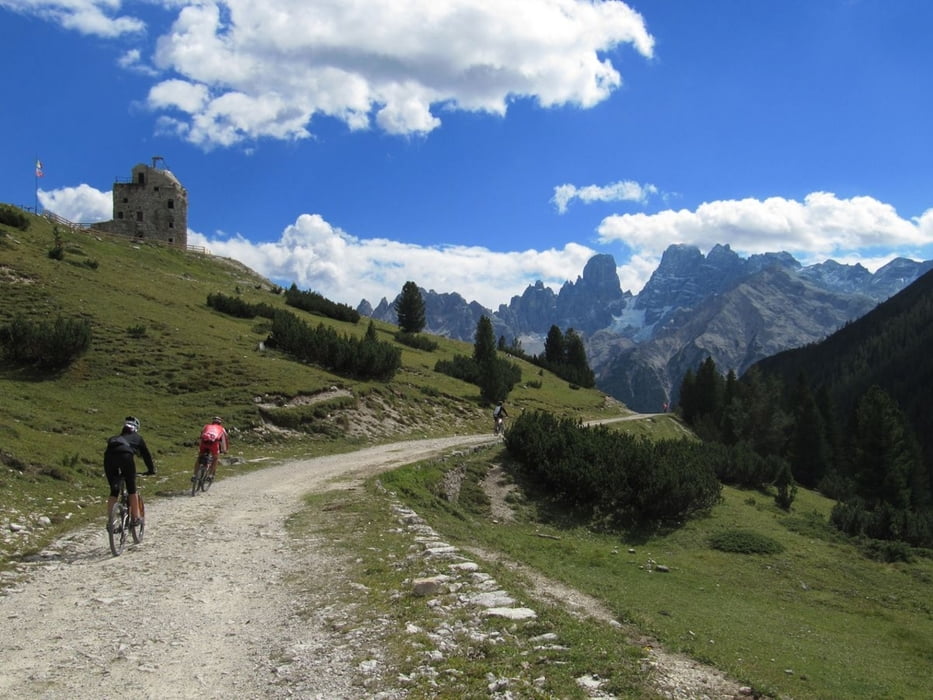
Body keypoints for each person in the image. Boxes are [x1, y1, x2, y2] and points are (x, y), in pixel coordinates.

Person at [104, 416, 155, 528]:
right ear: (136, 428)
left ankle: (110, 521)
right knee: (131, 488)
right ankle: (135, 518)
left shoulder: (117, 438)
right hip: (125, 457)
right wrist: (151, 470)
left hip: (109, 456)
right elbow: (146, 456)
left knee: (114, 491)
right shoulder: (138, 438)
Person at [194, 416, 229, 481]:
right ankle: (210, 475)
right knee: (215, 459)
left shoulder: (206, 426)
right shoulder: (221, 429)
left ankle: (194, 475)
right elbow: (224, 440)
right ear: (220, 423)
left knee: (199, 458)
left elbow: (201, 435)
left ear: (212, 422)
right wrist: (225, 450)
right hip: (213, 444)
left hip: (204, 443)